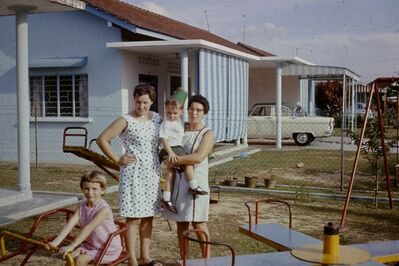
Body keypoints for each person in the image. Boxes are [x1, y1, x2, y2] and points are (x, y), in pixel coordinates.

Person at [97, 83, 162, 266]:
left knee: (148, 216)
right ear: (134, 100)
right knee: (133, 218)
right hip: (133, 174)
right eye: (138, 102)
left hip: (152, 173)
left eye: (145, 102)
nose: (141, 106)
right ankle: (132, 259)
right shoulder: (126, 120)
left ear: (152, 102)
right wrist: (117, 159)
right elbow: (102, 139)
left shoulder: (157, 118)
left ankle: (145, 256)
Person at [163, 95, 215, 258]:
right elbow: (167, 144)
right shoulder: (179, 127)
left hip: (196, 182)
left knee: (199, 222)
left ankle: (206, 260)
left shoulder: (208, 133)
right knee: (181, 223)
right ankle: (184, 259)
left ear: (204, 113)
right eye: (191, 109)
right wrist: (167, 157)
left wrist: (174, 160)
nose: (194, 112)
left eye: (198, 110)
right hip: (178, 182)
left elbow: (198, 157)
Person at [47, 170, 122, 265]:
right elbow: (70, 224)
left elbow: (89, 228)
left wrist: (72, 245)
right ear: (82, 189)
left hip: (107, 248)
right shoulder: (82, 207)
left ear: (102, 190)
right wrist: (55, 242)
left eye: (94, 189)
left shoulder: (104, 209)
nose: (90, 192)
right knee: (70, 259)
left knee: (79, 261)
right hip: (90, 245)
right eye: (86, 188)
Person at [159, 90, 207, 214]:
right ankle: (193, 186)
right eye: (168, 113)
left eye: (174, 113)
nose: (171, 115)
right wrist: (170, 153)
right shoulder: (166, 124)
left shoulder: (180, 123)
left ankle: (166, 198)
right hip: (172, 149)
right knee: (188, 163)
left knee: (170, 173)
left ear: (180, 112)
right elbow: (163, 138)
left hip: (174, 150)